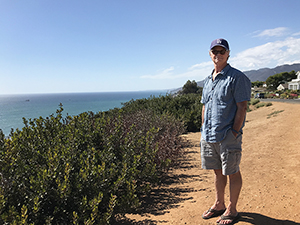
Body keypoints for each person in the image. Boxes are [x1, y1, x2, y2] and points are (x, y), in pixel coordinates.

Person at [200, 38, 251, 225]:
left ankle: (232, 209)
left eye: (222, 51)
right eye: (215, 51)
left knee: (232, 171)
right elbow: (204, 106)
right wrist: (203, 128)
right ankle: (219, 204)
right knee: (217, 172)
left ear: (228, 54)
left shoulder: (237, 78)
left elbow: (242, 107)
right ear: (209, 54)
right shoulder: (207, 80)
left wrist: (235, 132)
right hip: (209, 135)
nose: (218, 55)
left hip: (228, 136)